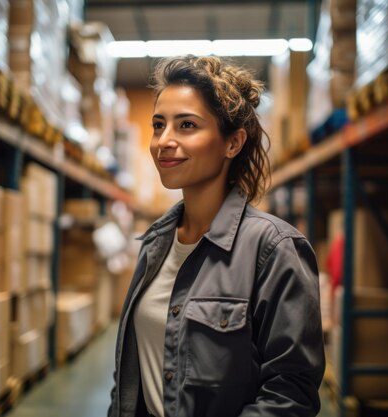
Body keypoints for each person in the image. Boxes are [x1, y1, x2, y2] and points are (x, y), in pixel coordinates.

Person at [109, 55, 324, 417]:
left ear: (233, 143)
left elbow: (290, 395)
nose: (164, 141)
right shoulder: (155, 245)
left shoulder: (274, 250)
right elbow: (130, 380)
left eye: (187, 125)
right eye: (158, 125)